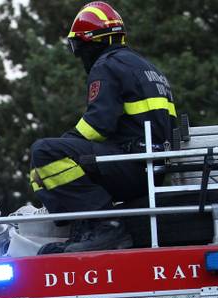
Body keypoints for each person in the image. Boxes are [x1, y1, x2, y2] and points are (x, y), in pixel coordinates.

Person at [30, 1, 176, 253]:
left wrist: (66, 145)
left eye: (78, 47)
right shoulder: (148, 68)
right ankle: (85, 229)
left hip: (133, 164)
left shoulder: (106, 64)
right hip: (150, 167)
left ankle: (106, 225)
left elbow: (98, 123)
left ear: (93, 41)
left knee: (45, 153)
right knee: (58, 156)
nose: (79, 54)